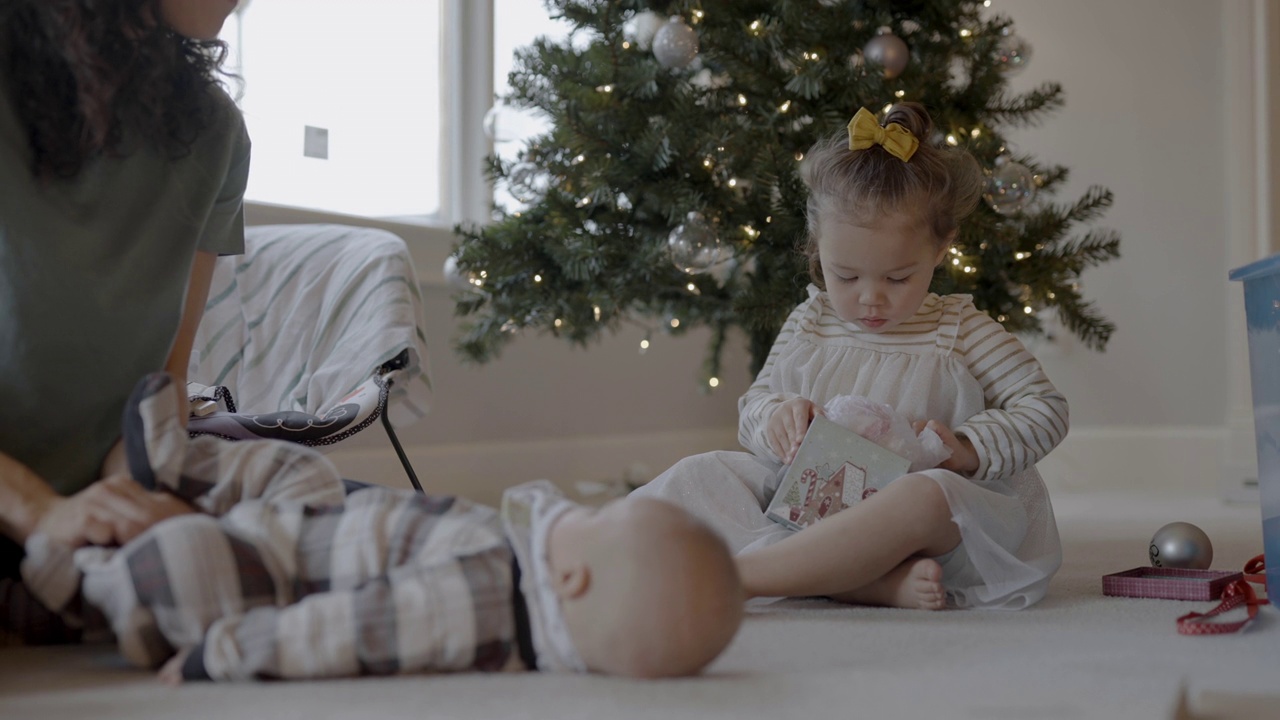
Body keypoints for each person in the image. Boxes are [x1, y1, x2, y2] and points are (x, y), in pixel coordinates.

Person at [14, 373, 745, 681]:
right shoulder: (511, 589)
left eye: (598, 518)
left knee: (184, 562)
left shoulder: (481, 602)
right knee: (309, 475)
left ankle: (60, 574)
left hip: (249, 583)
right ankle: (170, 478)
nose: (575, 515)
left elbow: (347, 630)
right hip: (300, 533)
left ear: (574, 578)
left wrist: (230, 651)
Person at [633, 103, 1068, 611]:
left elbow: (1045, 408)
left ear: (941, 248)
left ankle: (742, 574)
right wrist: (777, 418)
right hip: (807, 508)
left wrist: (969, 449)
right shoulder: (810, 320)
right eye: (845, 276)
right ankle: (869, 586)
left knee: (924, 498)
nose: (870, 298)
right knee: (703, 472)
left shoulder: (960, 330)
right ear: (817, 247)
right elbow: (757, 400)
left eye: (897, 278)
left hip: (913, 527)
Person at [0, 0, 250, 583]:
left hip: (82, 505)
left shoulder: (215, 133)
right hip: (22, 504)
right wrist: (37, 510)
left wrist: (126, 498)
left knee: (329, 530)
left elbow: (163, 386)